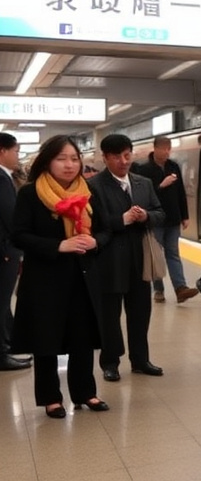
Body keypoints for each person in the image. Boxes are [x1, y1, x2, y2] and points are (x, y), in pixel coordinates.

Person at [10, 135, 109, 418]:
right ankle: (51, 398)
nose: (69, 165)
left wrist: (96, 242)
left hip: (82, 275)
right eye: (61, 159)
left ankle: (85, 393)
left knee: (82, 336)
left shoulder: (87, 191)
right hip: (44, 277)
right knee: (46, 338)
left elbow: (104, 230)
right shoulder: (31, 193)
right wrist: (58, 245)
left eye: (74, 159)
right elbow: (19, 235)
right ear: (48, 160)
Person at [89, 134, 167, 382]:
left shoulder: (143, 183)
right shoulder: (94, 186)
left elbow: (160, 213)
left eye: (126, 155)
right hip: (109, 260)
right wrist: (121, 221)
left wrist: (146, 216)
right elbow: (92, 225)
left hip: (139, 259)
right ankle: (110, 362)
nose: (123, 161)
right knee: (110, 316)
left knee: (141, 311)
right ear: (105, 158)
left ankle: (140, 360)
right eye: (116, 157)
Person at [132, 136, 199, 304]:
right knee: (156, 255)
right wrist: (161, 185)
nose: (166, 152)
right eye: (163, 149)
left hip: (173, 218)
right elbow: (144, 195)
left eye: (168, 149)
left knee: (173, 254)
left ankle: (180, 288)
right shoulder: (144, 170)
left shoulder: (173, 166)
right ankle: (159, 289)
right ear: (155, 149)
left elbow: (180, 193)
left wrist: (185, 215)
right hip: (155, 219)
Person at [0, 133, 29, 371]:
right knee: (1, 302)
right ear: (3, 151)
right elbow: (10, 218)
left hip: (7, 249)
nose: (17, 156)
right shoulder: (1, 178)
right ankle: (2, 355)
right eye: (16, 151)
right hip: (5, 251)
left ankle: (7, 344)